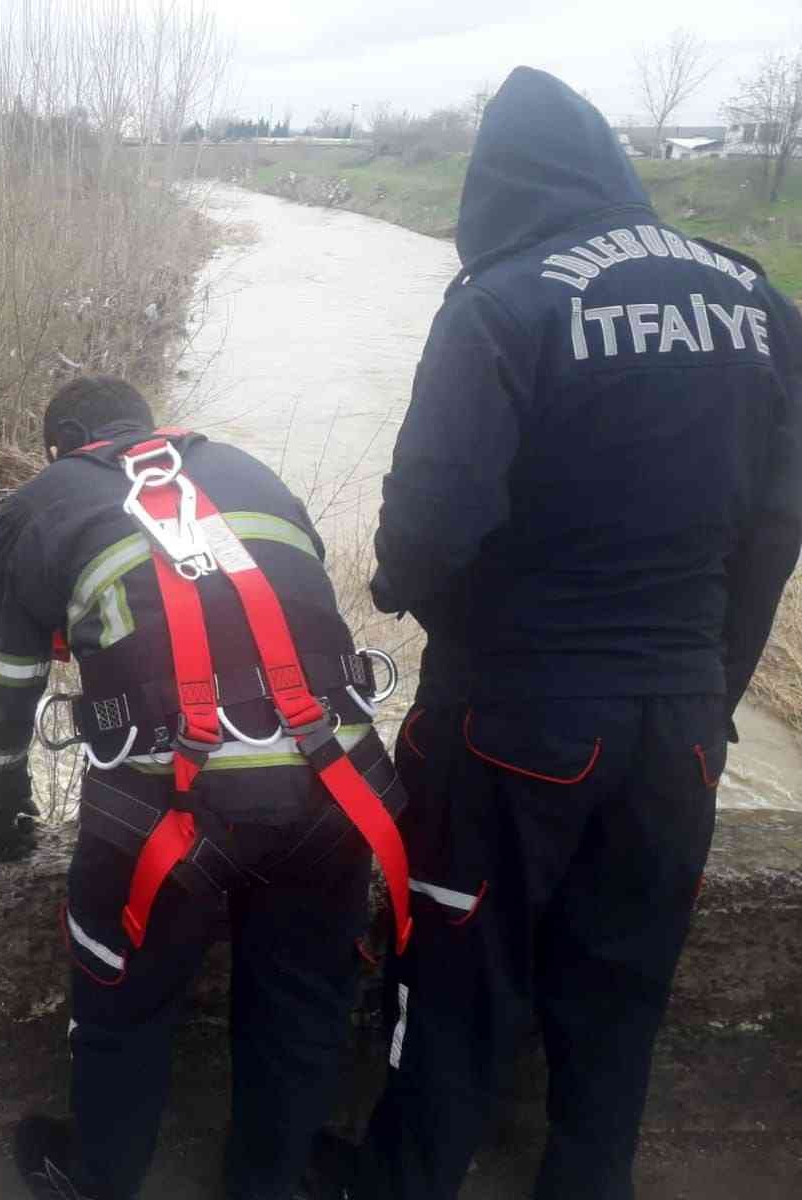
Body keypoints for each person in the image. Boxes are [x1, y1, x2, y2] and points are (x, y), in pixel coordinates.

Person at [312, 68, 802, 1200]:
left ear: (494, 185)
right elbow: (774, 532)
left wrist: (416, 599)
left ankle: (406, 1179)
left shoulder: (504, 299)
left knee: (459, 962)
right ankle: (587, 1181)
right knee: (624, 976)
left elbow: (426, 529)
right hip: (678, 719)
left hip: (515, 715)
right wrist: (708, 687)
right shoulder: (760, 301)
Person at [0, 375, 413, 1200]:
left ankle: (97, 1176)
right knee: (300, 1005)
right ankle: (268, 1183)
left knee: (122, 1002)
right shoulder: (247, 470)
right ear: (149, 424)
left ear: (62, 447)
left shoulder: (41, 501)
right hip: (331, 785)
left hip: (165, 812)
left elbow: (1, 683)